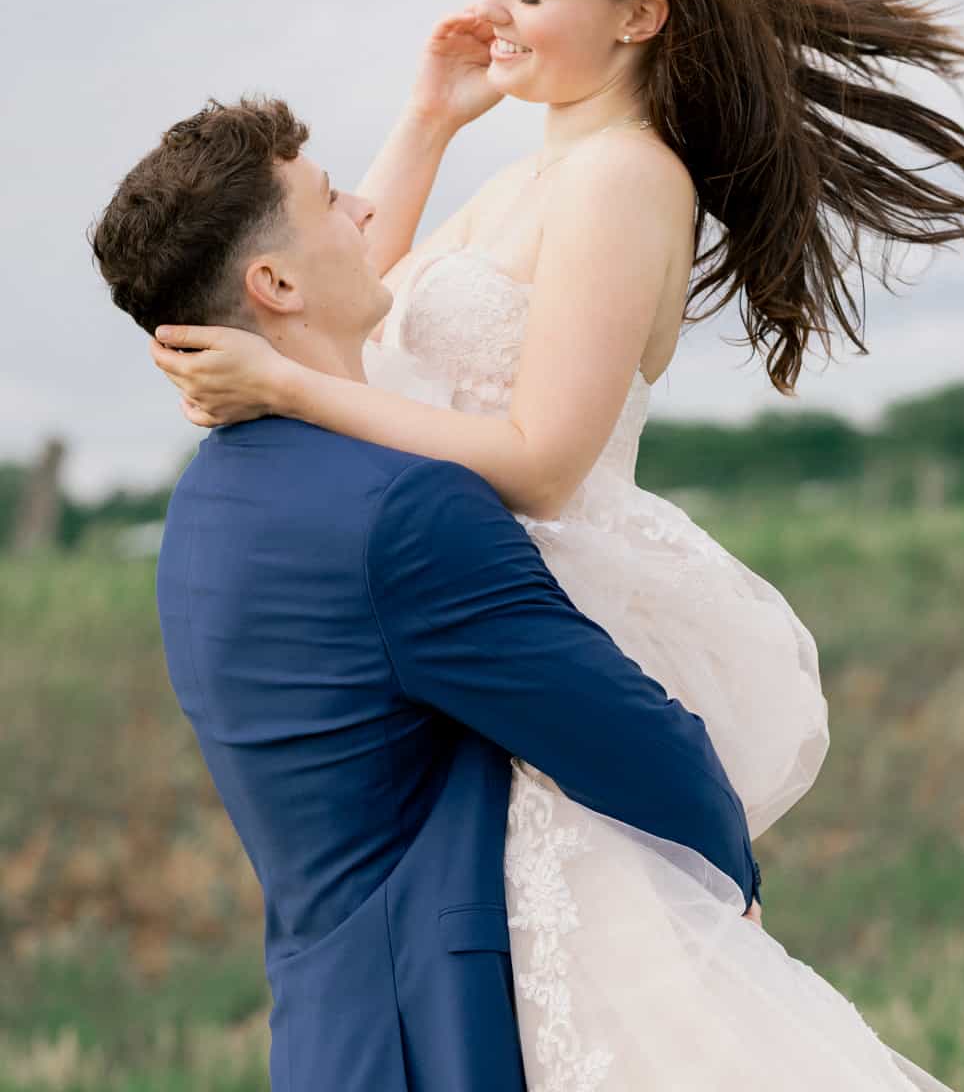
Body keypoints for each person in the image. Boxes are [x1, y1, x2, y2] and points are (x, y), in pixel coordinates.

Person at [150, 0, 964, 1088]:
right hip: (455, 636)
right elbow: (357, 299)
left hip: (529, 624)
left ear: (637, 16)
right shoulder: (539, 167)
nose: (493, 12)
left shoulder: (626, 179)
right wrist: (426, 118)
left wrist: (285, 384)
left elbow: (542, 460)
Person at [89, 97, 762, 1092]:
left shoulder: (209, 502)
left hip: (325, 1034)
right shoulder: (405, 513)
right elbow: (622, 731)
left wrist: (435, 105)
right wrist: (729, 877)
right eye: (330, 199)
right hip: (440, 1036)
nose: (365, 212)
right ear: (271, 281)